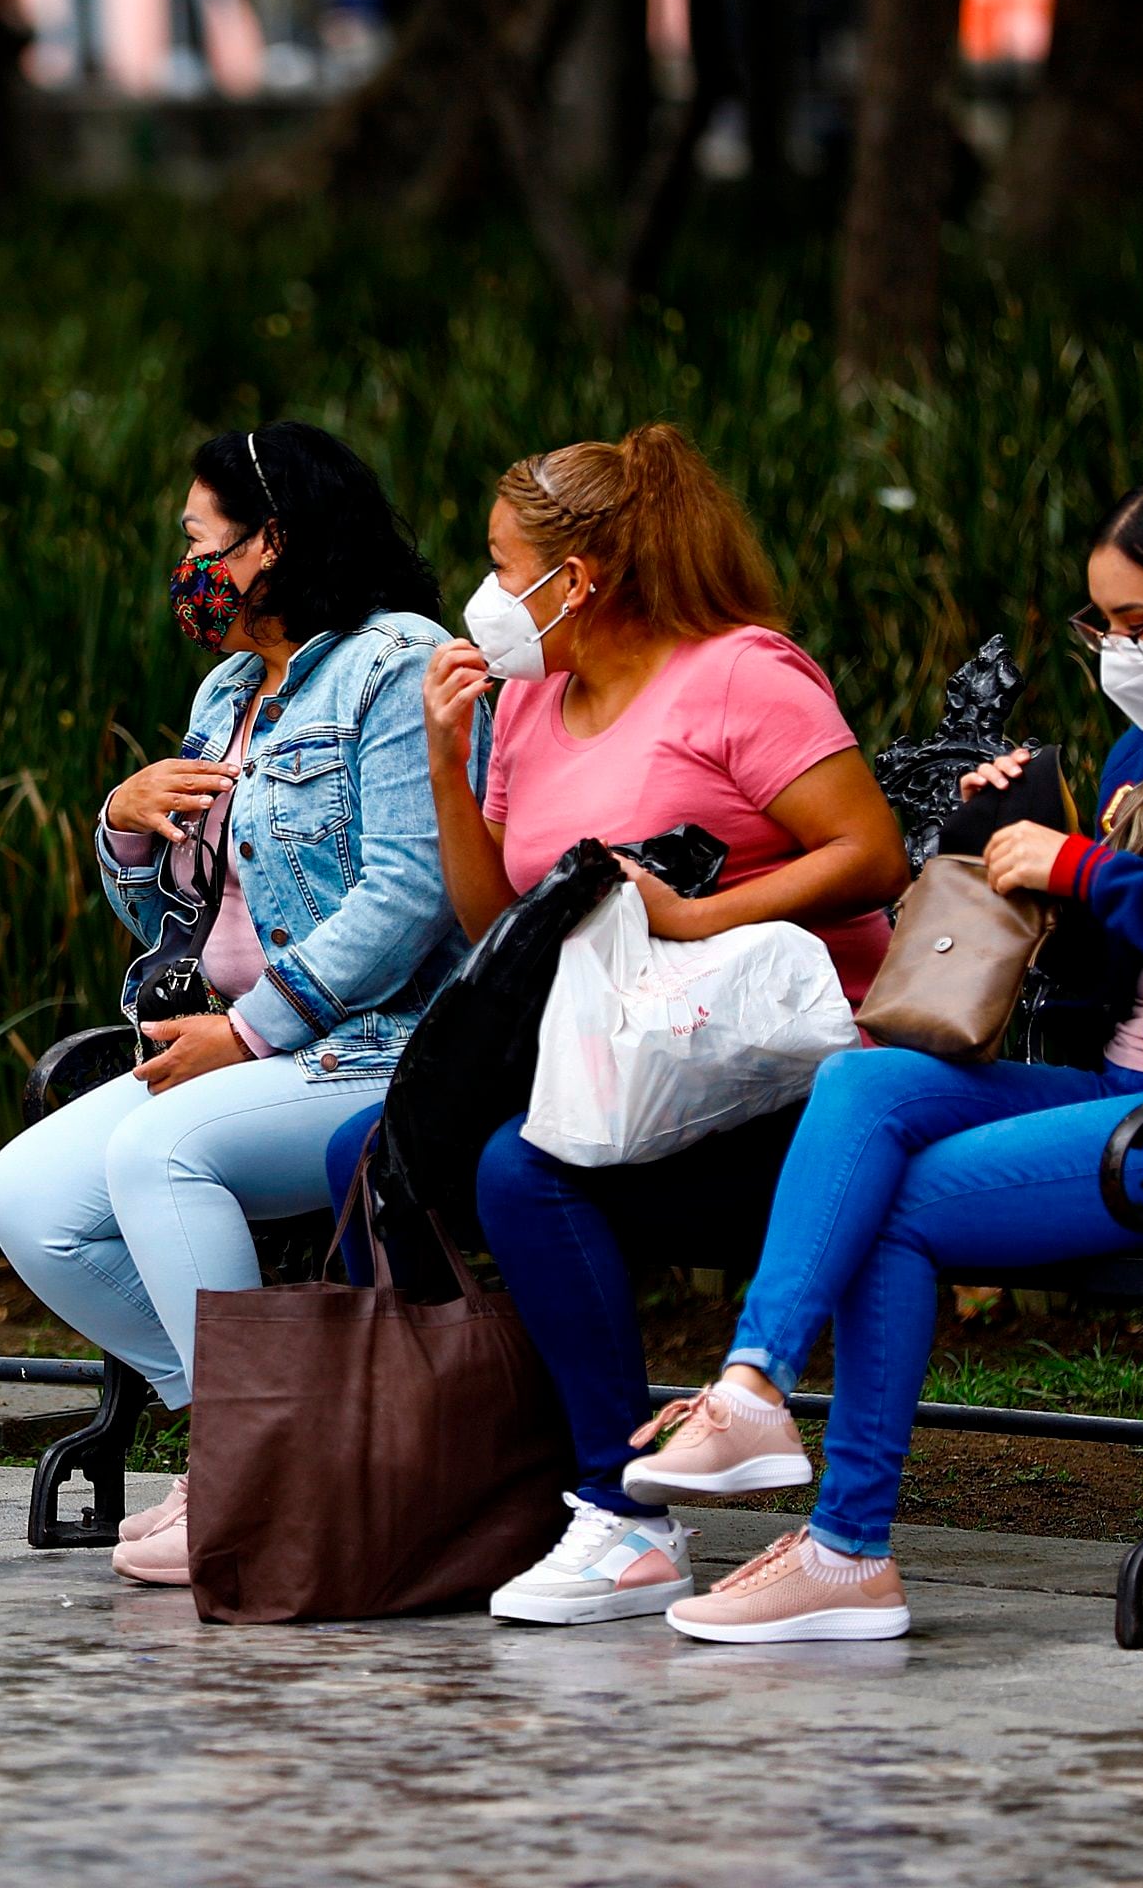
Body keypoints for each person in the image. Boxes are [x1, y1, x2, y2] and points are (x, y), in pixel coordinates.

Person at [633, 466, 1143, 1643]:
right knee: (865, 1078)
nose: (1118, 647)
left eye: (1139, 623)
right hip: (1127, 1090)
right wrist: (1003, 834)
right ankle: (752, 1389)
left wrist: (1084, 867)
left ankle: (847, 1546)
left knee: (890, 1201)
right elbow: (1109, 970)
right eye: (1100, 623)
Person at [321, 423, 910, 1626]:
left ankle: (623, 1513)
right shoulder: (533, 699)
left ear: (575, 579)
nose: (483, 591)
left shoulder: (742, 673)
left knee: (522, 1172)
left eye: (499, 561)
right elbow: (502, 924)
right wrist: (446, 756)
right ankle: (464, 1472)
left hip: (769, 1070)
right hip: (612, 1050)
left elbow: (872, 855)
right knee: (368, 1158)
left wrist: (698, 916)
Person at [0, 421, 459, 1589]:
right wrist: (124, 824)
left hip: (372, 1048)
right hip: (231, 1044)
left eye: (200, 541)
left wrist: (251, 1030)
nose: (183, 569)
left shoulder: (396, 664)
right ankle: (261, 1430)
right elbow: (175, 922)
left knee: (157, 1153)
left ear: (272, 541)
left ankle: (240, 1464)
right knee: (28, 1194)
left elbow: (412, 891)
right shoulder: (231, 684)